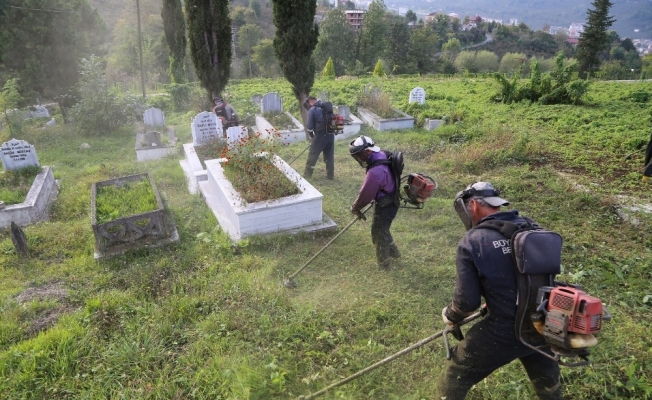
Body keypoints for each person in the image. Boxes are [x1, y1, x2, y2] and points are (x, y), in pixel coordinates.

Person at [436, 182, 562, 400]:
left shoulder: (474, 240)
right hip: (545, 321)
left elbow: (467, 302)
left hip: (505, 329)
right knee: (547, 381)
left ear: (473, 205)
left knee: (456, 373)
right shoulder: (533, 227)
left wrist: (451, 315)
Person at [348, 135, 400, 270]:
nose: (358, 158)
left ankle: (384, 265)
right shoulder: (381, 154)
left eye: (359, 154)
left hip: (386, 204)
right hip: (391, 198)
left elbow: (365, 196)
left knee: (378, 233)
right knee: (383, 229)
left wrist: (355, 208)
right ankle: (394, 252)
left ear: (368, 151)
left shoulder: (375, 171)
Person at [303, 96, 334, 179]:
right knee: (329, 156)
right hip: (330, 135)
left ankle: (307, 176)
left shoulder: (312, 110)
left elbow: (310, 127)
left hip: (320, 136)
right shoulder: (327, 107)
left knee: (312, 156)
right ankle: (330, 176)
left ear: (309, 102)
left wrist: (312, 137)